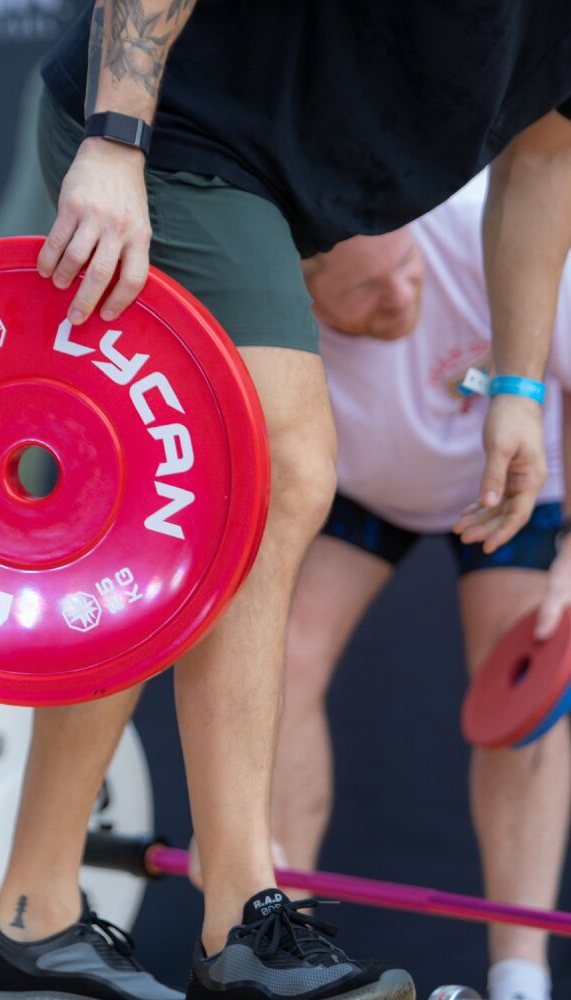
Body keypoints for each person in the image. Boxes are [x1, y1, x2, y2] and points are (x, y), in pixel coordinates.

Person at [0, 5, 571, 1000]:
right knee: (272, 468)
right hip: (169, 129)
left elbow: (543, 157)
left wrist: (519, 386)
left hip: (264, 180)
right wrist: (115, 140)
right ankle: (234, 927)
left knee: (191, 502)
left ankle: (31, 920)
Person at [268, 175, 571, 1000]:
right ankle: (273, 944)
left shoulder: (479, 228)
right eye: (367, 291)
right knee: (275, 666)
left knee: (522, 690)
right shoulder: (262, 298)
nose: (402, 296)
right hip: (361, 482)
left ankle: (520, 977)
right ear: (307, 287)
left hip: (515, 475)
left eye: (406, 268)